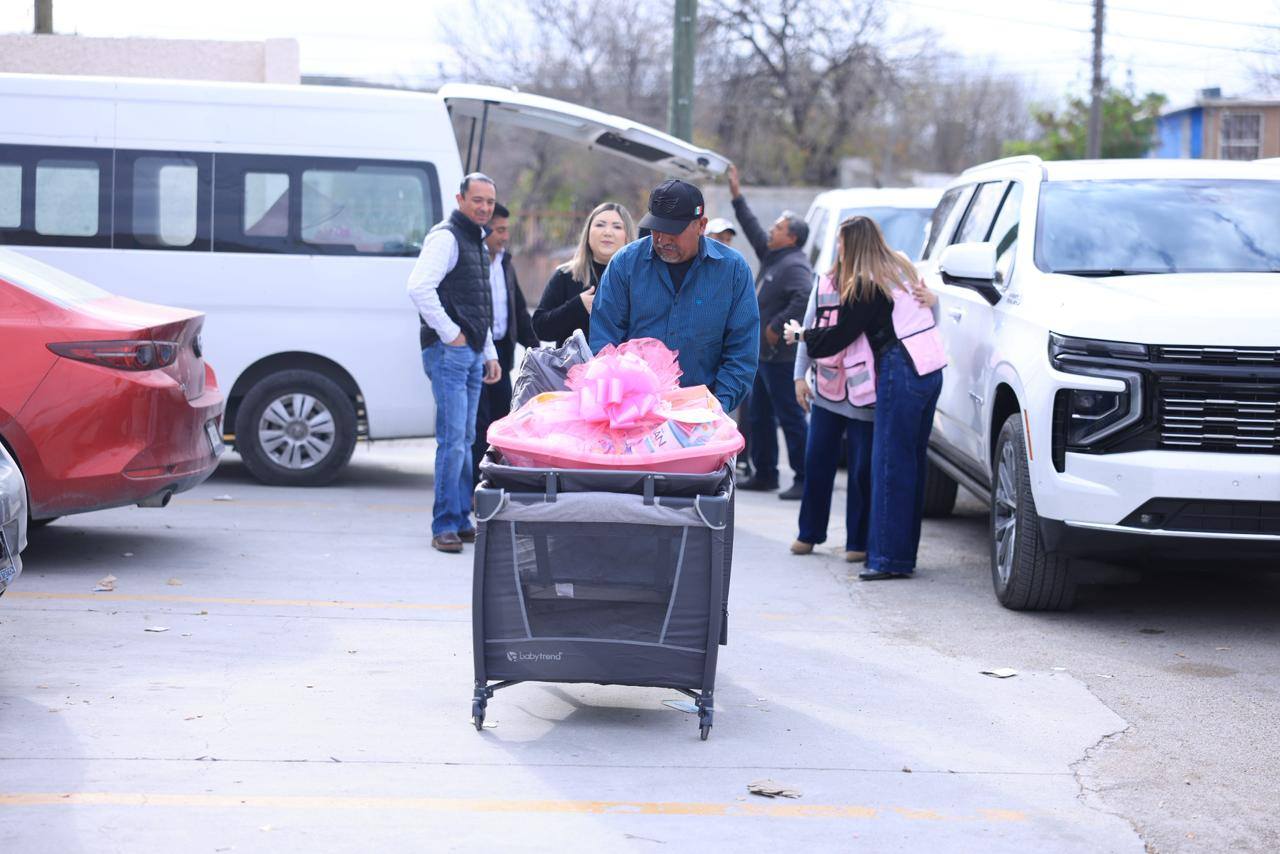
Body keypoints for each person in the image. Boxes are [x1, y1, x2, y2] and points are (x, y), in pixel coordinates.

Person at [784, 216, 944, 580]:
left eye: (842, 242)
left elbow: (838, 336)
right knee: (912, 466)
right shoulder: (900, 266)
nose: (838, 248)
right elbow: (928, 308)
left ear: (853, 245)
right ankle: (902, 555)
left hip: (900, 368)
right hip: (930, 366)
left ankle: (887, 559)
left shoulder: (867, 284)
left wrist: (801, 337)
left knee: (889, 468)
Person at [590, 179, 759, 415]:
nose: (662, 239)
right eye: (656, 229)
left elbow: (742, 351)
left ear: (701, 225)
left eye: (673, 231)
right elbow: (604, 342)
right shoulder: (625, 264)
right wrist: (621, 402)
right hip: (633, 413)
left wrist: (716, 406)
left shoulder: (733, 271)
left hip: (704, 414)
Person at [407, 173, 502, 555]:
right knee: (453, 443)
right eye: (477, 200)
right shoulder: (446, 236)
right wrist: (450, 333)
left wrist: (489, 352)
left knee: (464, 441)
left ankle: (460, 520)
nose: (483, 207)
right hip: (450, 353)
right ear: (460, 199)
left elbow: (479, 304)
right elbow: (418, 287)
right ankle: (445, 524)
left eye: (489, 202)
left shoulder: (476, 240)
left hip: (471, 352)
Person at [727, 164, 812, 500]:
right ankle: (765, 474)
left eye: (777, 228)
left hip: (780, 357)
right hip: (762, 356)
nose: (771, 231)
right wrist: (736, 196)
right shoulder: (774, 255)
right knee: (759, 416)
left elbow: (805, 297)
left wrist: (777, 326)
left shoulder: (795, 265)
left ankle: (805, 478)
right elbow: (750, 228)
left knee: (790, 418)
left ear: (791, 237)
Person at [789, 273, 875, 563]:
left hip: (864, 394)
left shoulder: (876, 283)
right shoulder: (824, 281)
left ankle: (859, 541)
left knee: (862, 470)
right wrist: (799, 376)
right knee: (816, 462)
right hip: (827, 390)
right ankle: (809, 533)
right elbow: (808, 329)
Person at [472, 202, 539, 485]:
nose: (504, 236)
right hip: (476, 353)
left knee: (500, 421)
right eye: (499, 230)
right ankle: (473, 485)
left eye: (506, 230)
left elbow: (520, 312)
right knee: (477, 424)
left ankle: (493, 481)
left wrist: (535, 347)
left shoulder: (506, 264)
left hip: (501, 353)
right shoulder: (472, 264)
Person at [532, 203, 635, 346]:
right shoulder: (566, 275)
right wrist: (577, 306)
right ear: (587, 233)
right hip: (573, 366)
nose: (607, 232)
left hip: (623, 366)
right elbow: (540, 328)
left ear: (627, 236)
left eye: (617, 227)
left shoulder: (638, 279)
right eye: (600, 225)